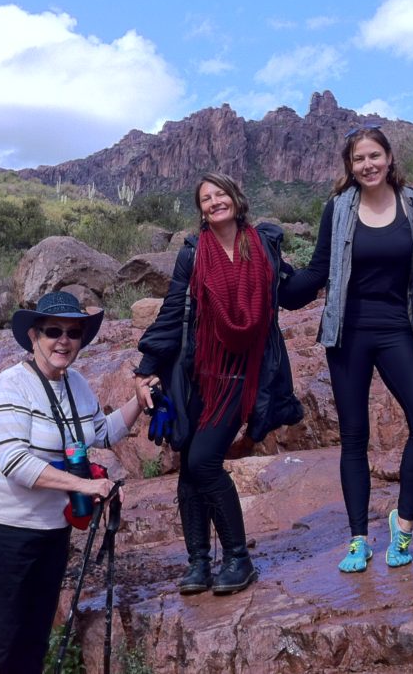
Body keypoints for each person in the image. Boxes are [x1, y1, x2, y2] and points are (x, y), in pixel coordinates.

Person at [281, 125, 413, 573]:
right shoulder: (338, 209)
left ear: (390, 157)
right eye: (359, 159)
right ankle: (358, 537)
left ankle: (404, 522)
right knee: (354, 437)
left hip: (398, 328)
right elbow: (318, 269)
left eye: (374, 155)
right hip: (348, 333)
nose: (368, 165)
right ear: (350, 167)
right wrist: (277, 282)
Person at [133, 172, 302, 597]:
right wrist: (146, 367)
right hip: (196, 375)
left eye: (219, 194)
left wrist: (330, 269)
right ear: (201, 210)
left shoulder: (262, 244)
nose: (213, 202)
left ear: (235, 197)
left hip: (240, 377)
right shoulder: (192, 255)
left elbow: (290, 290)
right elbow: (174, 311)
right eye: (205, 199)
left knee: (203, 462)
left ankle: (239, 559)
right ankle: (198, 564)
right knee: (189, 467)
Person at [0, 290, 144, 673]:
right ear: (34, 336)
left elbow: (101, 432)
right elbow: (14, 463)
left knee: (33, 640)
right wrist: (85, 486)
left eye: (73, 332)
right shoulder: (10, 386)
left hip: (51, 531)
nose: (64, 341)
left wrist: (139, 402)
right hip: (1, 531)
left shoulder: (76, 383)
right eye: (53, 331)